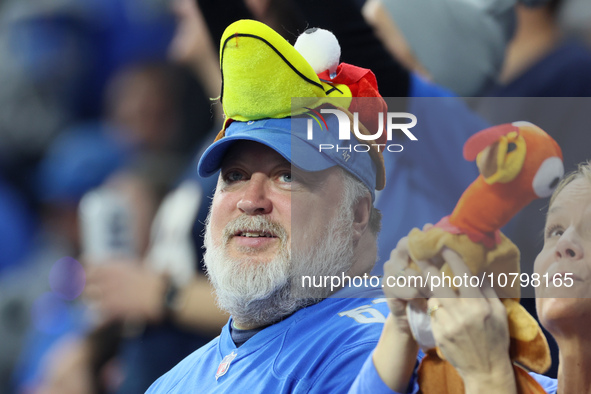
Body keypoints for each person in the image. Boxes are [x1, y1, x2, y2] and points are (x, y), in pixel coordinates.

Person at [146, 19, 394, 393]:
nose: (250, 201)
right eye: (235, 175)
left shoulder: (372, 352)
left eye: (288, 177)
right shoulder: (171, 383)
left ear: (357, 215)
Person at [353, 163, 591, 393]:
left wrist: (488, 375)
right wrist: (403, 326)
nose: (564, 242)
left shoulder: (493, 374)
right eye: (556, 230)